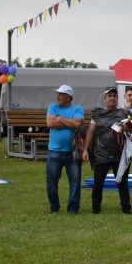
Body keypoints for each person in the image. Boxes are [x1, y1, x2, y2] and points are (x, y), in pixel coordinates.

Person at [82, 87, 131, 214]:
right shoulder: (97, 114)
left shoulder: (123, 113)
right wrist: (85, 150)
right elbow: (90, 132)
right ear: (105, 98)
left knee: (122, 181)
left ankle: (126, 208)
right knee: (98, 183)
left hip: (118, 153)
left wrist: (127, 127)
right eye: (110, 96)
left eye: (115, 96)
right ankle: (95, 209)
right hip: (100, 154)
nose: (112, 98)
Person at [45, 84, 84, 214]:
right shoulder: (52, 107)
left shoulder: (78, 109)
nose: (58, 96)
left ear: (69, 97)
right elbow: (50, 123)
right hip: (54, 151)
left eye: (61, 94)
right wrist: (70, 123)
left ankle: (73, 209)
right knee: (52, 181)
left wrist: (60, 119)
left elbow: (78, 124)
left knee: (75, 181)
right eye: (58, 94)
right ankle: (54, 207)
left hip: (73, 152)